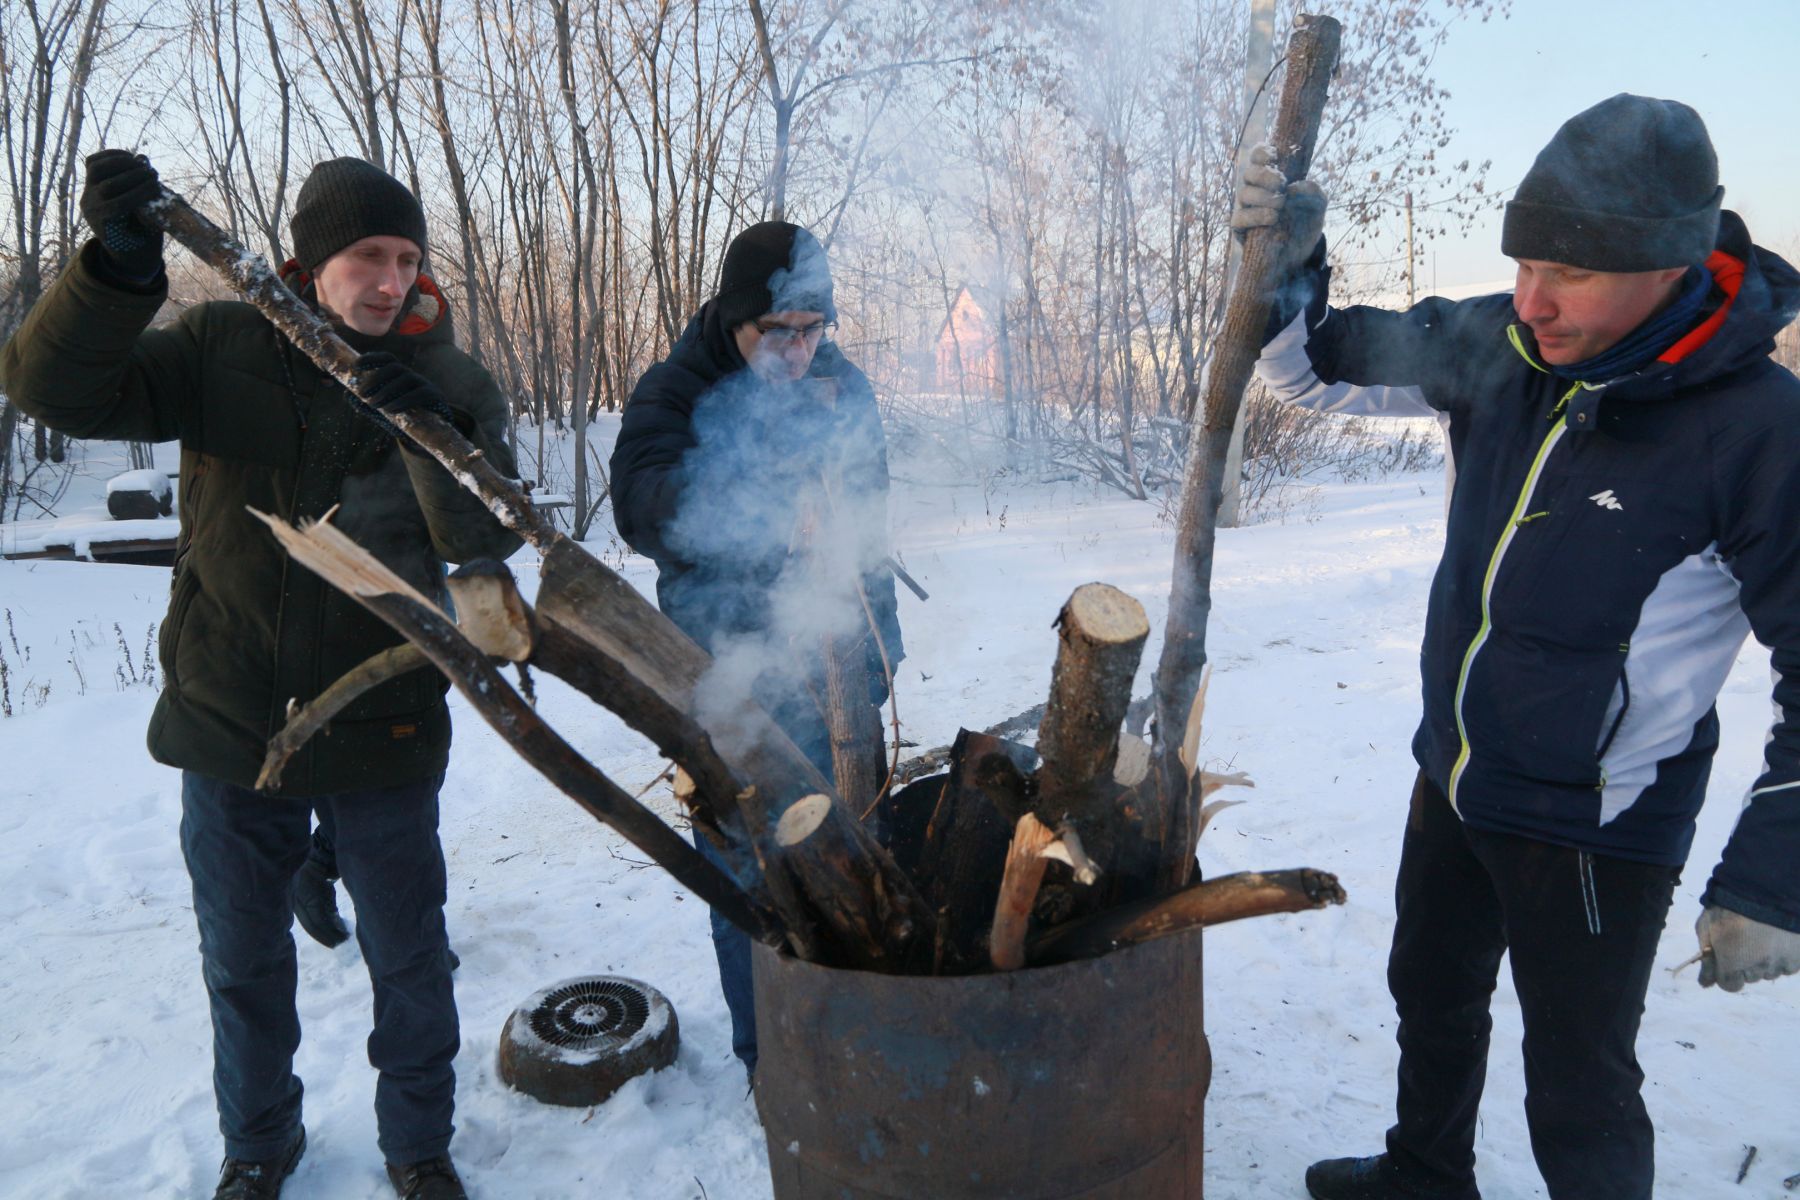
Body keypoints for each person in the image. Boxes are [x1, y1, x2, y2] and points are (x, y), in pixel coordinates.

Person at [1233, 94, 1800, 1200]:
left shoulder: (1757, 430)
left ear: (1672, 262)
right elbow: (1311, 372)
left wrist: (1776, 876)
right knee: (1430, 994)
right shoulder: (1508, 345)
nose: (1533, 299)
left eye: (1571, 272)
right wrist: (1291, 266)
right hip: (1454, 777)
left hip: (1597, 820)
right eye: (1525, 260)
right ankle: (1423, 1172)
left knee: (1577, 1085)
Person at [0, 150, 522, 1199]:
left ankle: (418, 1147)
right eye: (366, 256)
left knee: (411, 961)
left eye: (407, 258)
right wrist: (115, 269)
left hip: (387, 719)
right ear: (306, 262)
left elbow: (487, 537)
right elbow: (50, 385)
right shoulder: (222, 344)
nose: (390, 280)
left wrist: (420, 422)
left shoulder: (451, 380)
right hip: (232, 716)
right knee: (243, 966)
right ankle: (259, 1141)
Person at [609, 220, 904, 1080]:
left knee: (852, 844)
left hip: (834, 660)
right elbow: (642, 505)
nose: (799, 349)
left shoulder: (841, 388)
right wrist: (762, 495)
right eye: (778, 331)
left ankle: (856, 1026)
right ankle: (768, 1056)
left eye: (814, 329)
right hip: (726, 663)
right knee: (747, 868)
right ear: (737, 318)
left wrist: (881, 647)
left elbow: (868, 525)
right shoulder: (678, 385)